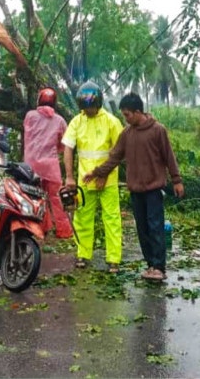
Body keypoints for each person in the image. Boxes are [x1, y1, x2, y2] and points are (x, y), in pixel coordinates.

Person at [83, 93, 184, 282]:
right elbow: (114, 158)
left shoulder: (157, 130)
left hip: (153, 190)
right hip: (135, 191)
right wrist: (97, 172)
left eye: (127, 114)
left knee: (155, 228)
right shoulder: (127, 134)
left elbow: (169, 156)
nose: (125, 118)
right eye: (124, 115)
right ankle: (150, 265)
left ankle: (159, 267)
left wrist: (177, 180)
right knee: (142, 229)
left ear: (138, 112)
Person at [61, 81, 124, 271]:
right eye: (85, 108)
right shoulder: (76, 122)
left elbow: (118, 151)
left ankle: (113, 259)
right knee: (82, 217)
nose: (88, 111)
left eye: (91, 107)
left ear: (98, 104)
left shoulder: (112, 122)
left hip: (109, 179)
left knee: (111, 218)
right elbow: (68, 149)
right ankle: (82, 254)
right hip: (84, 180)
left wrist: (104, 174)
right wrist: (70, 177)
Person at [23, 88, 73, 239]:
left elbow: (27, 136)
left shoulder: (30, 116)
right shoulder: (60, 121)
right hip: (51, 165)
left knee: (36, 198)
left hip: (31, 165)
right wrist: (54, 149)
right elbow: (64, 145)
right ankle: (64, 231)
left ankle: (41, 228)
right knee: (56, 198)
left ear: (39, 100)